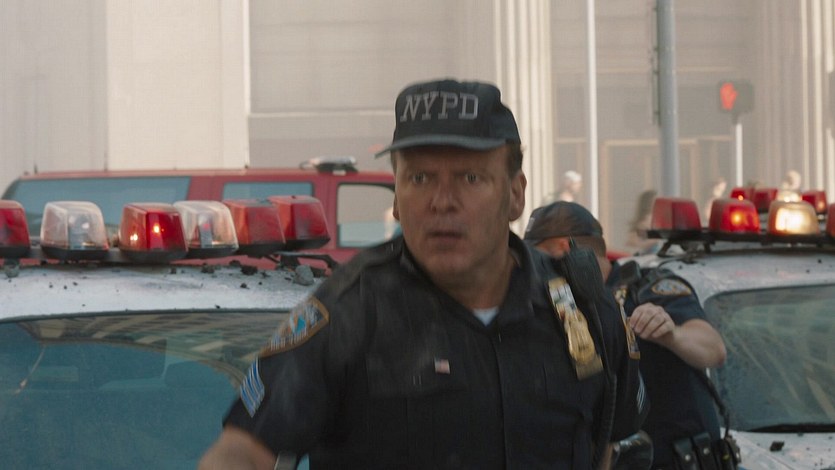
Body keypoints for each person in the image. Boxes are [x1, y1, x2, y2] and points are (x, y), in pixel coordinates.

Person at [199, 79, 646, 469]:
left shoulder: (581, 307)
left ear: (515, 194)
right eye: (419, 179)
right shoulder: (349, 314)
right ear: (396, 198)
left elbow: (608, 443)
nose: (441, 201)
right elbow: (241, 453)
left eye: (470, 179)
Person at [524, 201, 728, 470]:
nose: (537, 270)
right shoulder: (560, 306)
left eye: (541, 259)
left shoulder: (646, 288)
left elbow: (714, 350)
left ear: (565, 249)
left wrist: (671, 334)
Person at [625, 189, 662, 255]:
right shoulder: (647, 220)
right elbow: (633, 242)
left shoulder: (651, 218)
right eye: (654, 201)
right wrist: (656, 239)